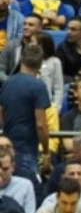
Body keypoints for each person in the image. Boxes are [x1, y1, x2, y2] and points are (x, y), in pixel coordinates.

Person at [0, 44, 51, 183]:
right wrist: (46, 152)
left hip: (7, 147)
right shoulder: (38, 86)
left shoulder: (7, 83)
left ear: (21, 59)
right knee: (27, 188)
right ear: (40, 64)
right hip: (27, 148)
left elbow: (1, 115)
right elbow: (41, 124)